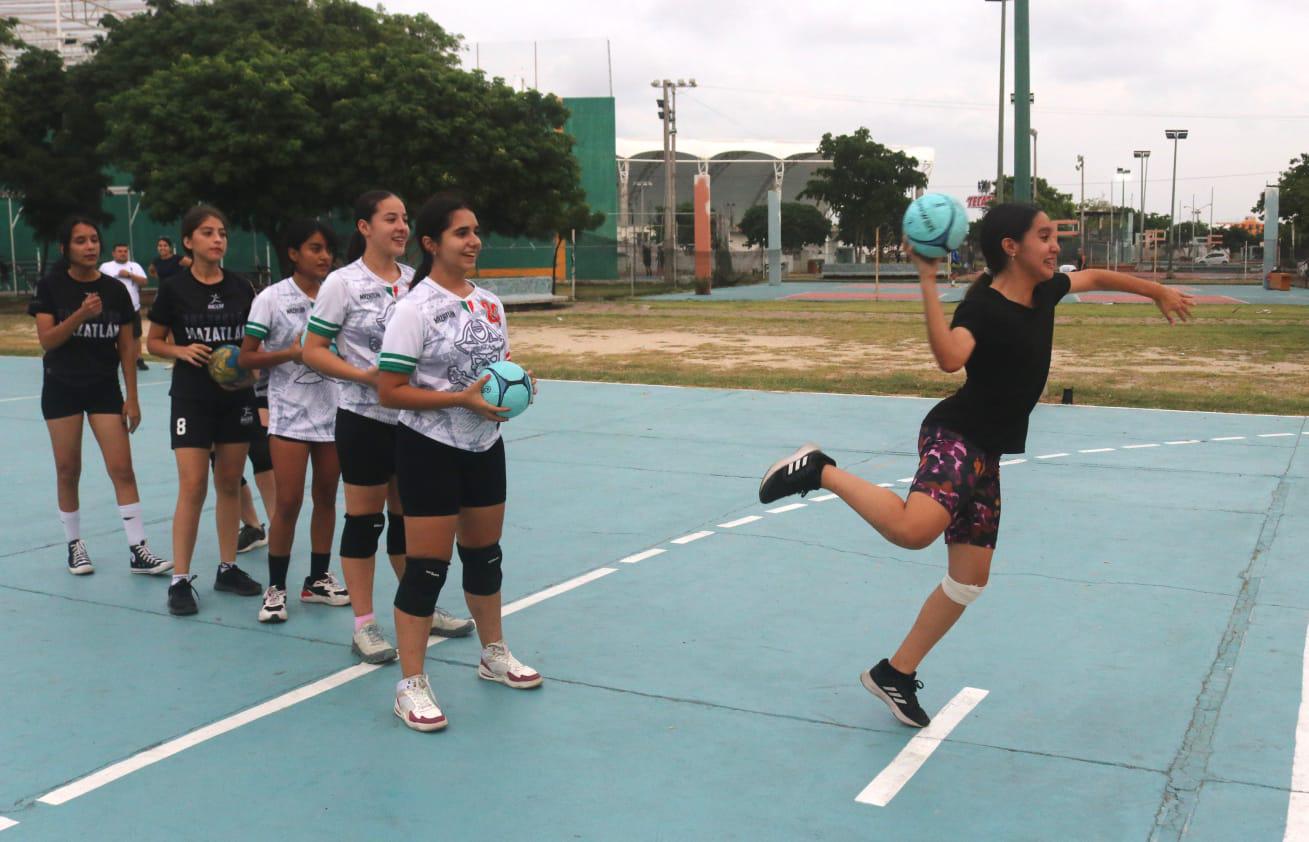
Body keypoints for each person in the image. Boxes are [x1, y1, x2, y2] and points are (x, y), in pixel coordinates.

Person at [757, 203, 1194, 728]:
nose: (1055, 246)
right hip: (956, 437)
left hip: (986, 454)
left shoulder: (1047, 291)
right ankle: (818, 469)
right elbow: (949, 358)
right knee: (913, 530)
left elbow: (1097, 275)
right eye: (1045, 236)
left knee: (968, 581)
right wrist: (925, 280)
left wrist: (1158, 292)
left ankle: (895, 673)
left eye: (1055, 236)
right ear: (1012, 246)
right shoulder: (982, 308)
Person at [378, 192, 540, 731]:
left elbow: (497, 366)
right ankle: (411, 684)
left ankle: (493, 653)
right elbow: (390, 391)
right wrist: (460, 399)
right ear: (431, 243)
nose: (474, 241)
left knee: (485, 555)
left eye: (475, 230)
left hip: (483, 445)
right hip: (428, 448)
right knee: (426, 570)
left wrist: (515, 386)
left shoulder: (490, 303)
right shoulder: (412, 309)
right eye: (461, 233)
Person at [303, 190, 474, 664]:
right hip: (363, 418)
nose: (400, 228)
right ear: (364, 228)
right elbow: (312, 349)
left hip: (415, 422)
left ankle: (418, 605)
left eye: (404, 219)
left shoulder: (416, 281)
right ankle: (364, 624)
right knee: (364, 519)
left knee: (408, 519)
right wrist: (362, 375)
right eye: (389, 219)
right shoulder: (342, 283)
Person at [30, 216, 172, 577]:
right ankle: (75, 546)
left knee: (122, 467)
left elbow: (128, 346)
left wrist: (133, 397)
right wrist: (80, 314)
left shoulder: (115, 290)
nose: (90, 246)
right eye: (80, 241)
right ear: (65, 249)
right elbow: (47, 341)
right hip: (61, 386)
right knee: (68, 469)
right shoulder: (50, 287)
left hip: (104, 388)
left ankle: (138, 549)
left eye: (94, 240)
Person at [146, 205, 264, 615]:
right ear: (188, 241)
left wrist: (248, 367)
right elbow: (154, 341)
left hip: (235, 397)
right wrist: (180, 349)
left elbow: (255, 344)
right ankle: (180, 579)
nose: (218, 239)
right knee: (194, 485)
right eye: (208, 232)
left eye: (223, 233)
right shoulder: (175, 289)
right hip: (192, 397)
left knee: (229, 480)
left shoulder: (242, 288)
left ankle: (227, 567)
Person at [240, 219, 348, 623]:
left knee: (326, 497)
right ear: (292, 253)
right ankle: (276, 588)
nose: (324, 257)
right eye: (315, 248)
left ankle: (318, 579)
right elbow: (246, 357)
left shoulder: (337, 296)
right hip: (289, 415)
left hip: (334, 413)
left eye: (328, 250)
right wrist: (289, 353)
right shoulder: (270, 298)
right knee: (288, 502)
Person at [98, 243, 150, 370]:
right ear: (113, 253)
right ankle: (110, 359)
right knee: (111, 334)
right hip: (112, 308)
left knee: (135, 335)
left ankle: (138, 359)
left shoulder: (134, 266)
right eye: (120, 251)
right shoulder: (106, 267)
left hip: (133, 307)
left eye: (125, 251)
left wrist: (129, 275)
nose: (123, 253)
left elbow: (144, 281)